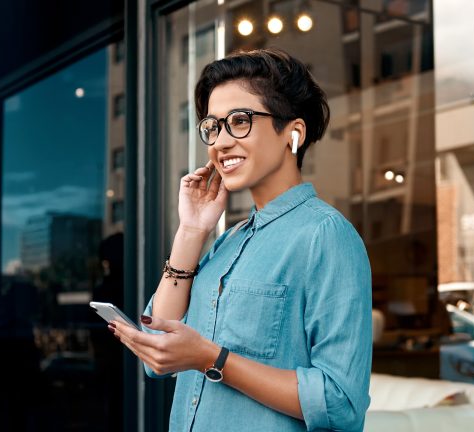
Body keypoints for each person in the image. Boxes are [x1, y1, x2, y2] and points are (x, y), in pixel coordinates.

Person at [111, 47, 373, 431]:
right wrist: (191, 231)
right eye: (213, 127)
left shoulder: (325, 236)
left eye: (239, 120)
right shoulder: (226, 242)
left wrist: (211, 359)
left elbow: (340, 403)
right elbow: (156, 344)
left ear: (293, 133)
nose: (219, 142)